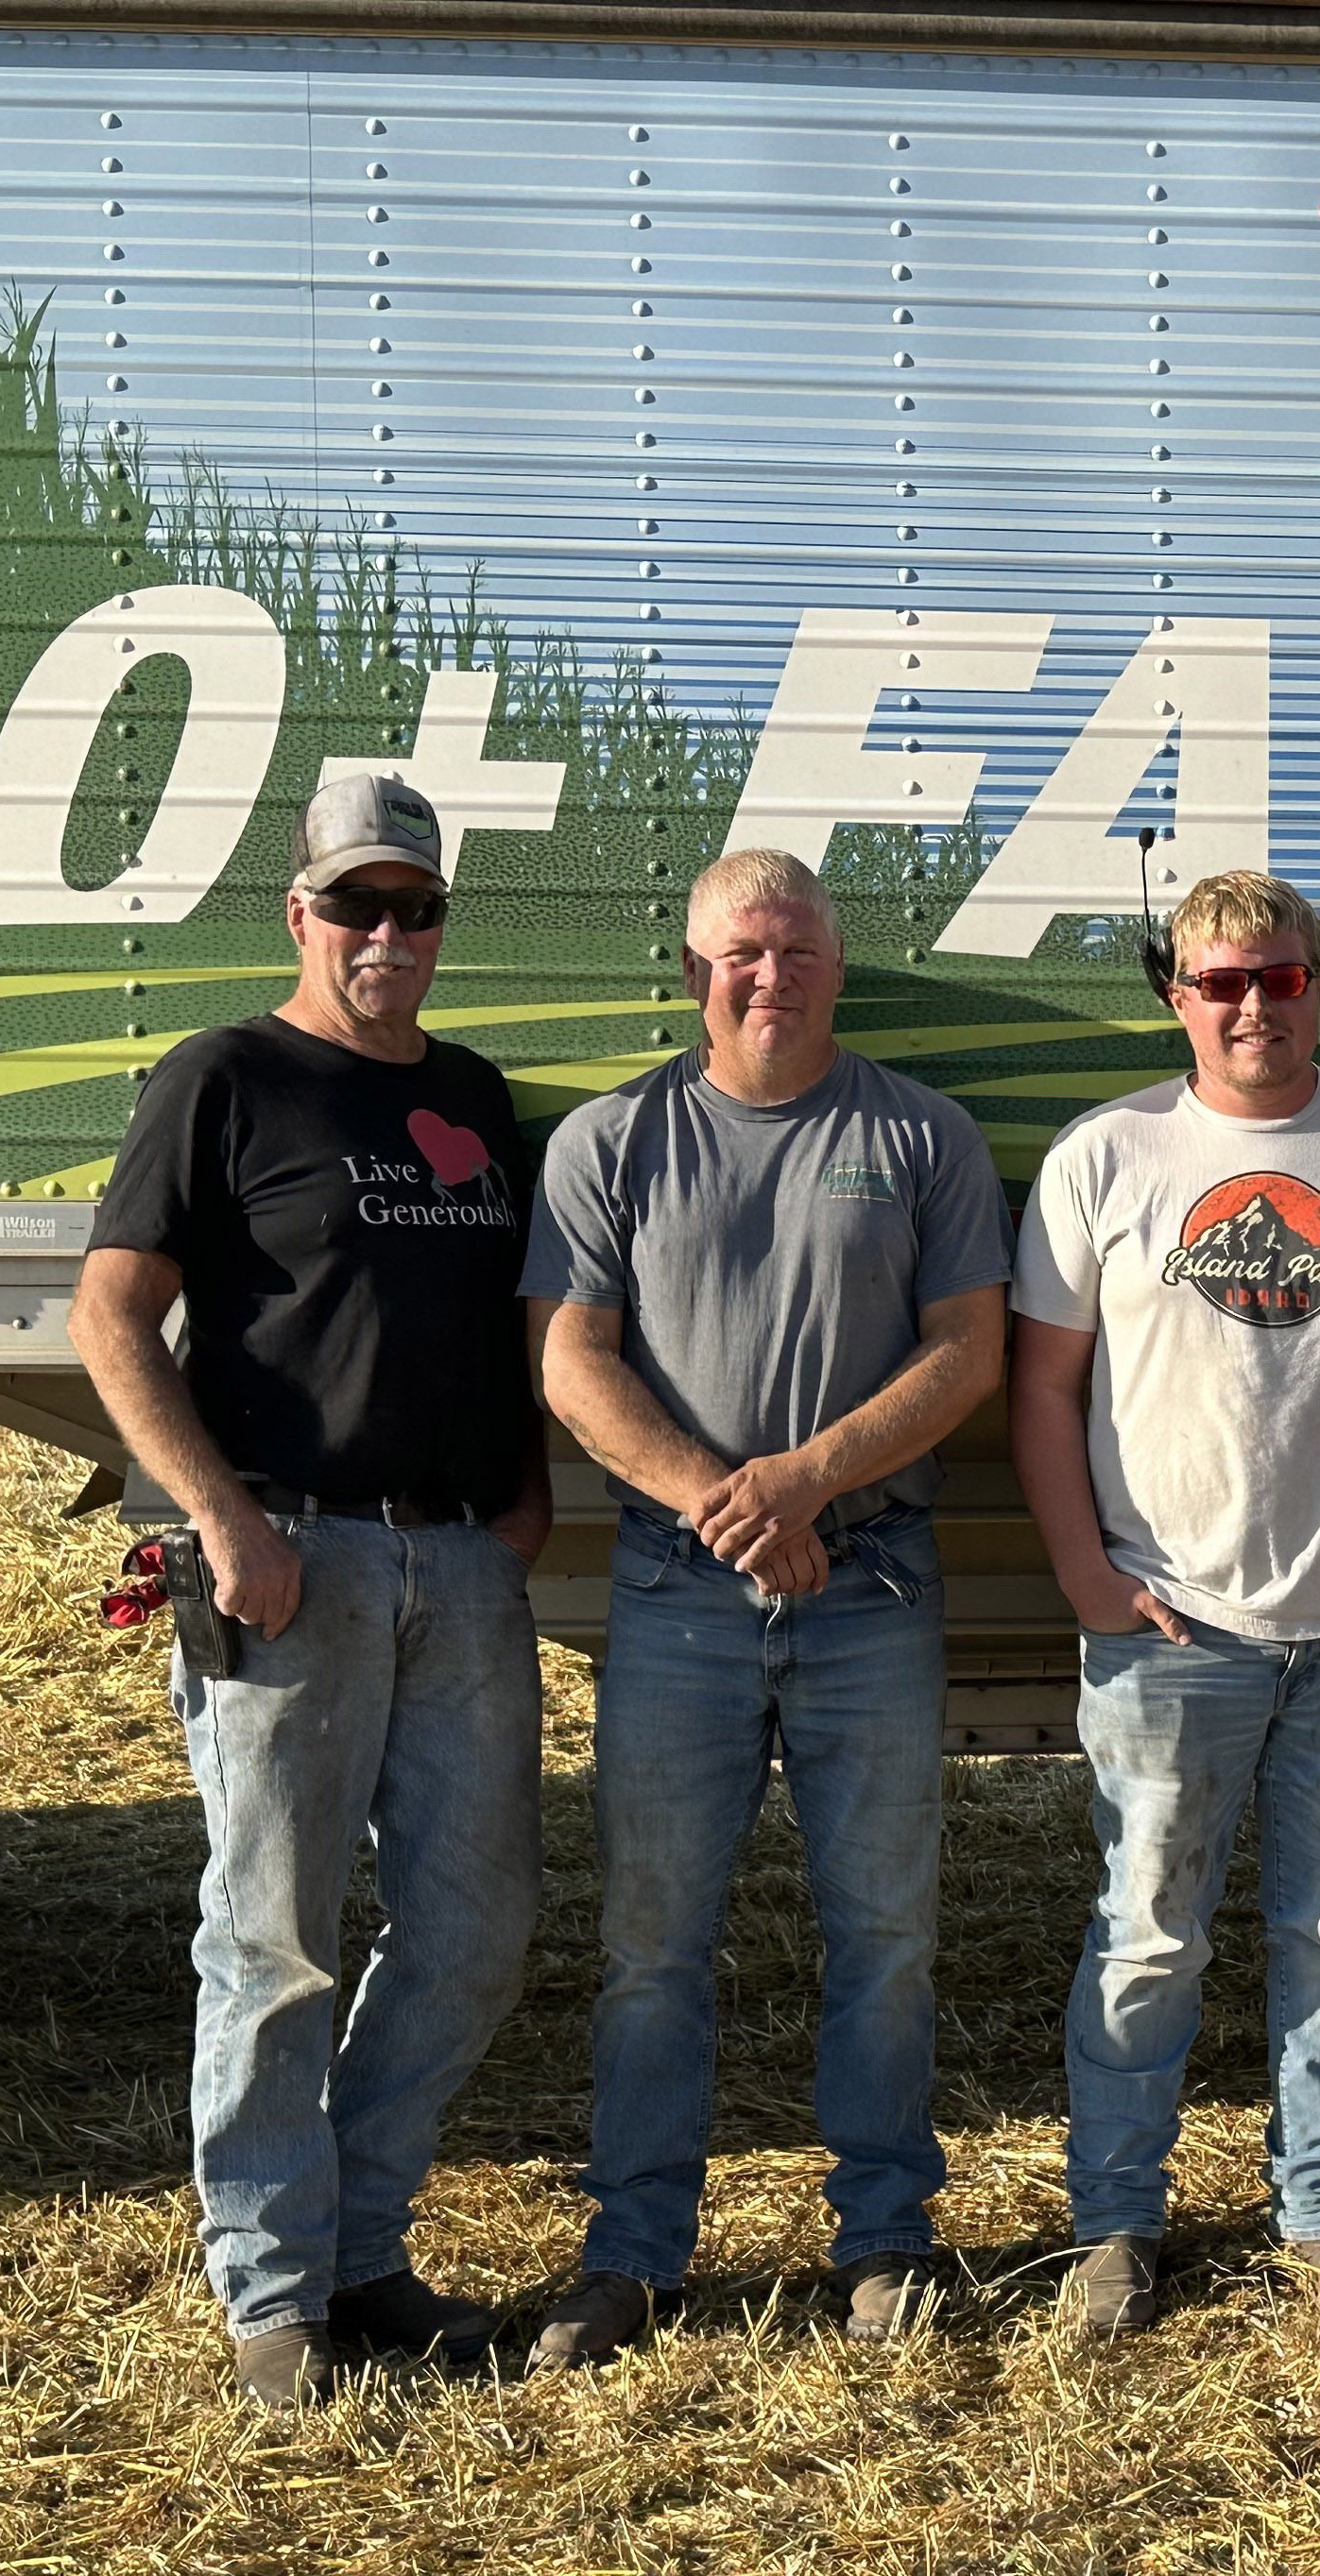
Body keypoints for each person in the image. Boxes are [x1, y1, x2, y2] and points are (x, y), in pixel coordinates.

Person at [74, 772, 554, 2410]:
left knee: (480, 1926)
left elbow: (511, 1326)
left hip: (463, 1563)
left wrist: (525, 1500)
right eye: (356, 904)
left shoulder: (482, 1100)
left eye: (416, 907)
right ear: (299, 913)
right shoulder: (226, 1077)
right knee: (276, 1939)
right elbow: (112, 1319)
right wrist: (222, 1518)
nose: (388, 934)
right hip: (292, 1560)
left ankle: (362, 2247)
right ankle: (276, 2292)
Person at [1006, 870, 1320, 2335]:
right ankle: (1115, 2225)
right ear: (1174, 992)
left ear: (1319, 985)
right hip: (1169, 1626)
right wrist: (1081, 1571)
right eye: (1219, 981)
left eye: (1279, 979)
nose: (1251, 1007)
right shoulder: (1106, 1158)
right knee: (1146, 1937)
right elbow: (1039, 1384)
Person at [514, 851, 1009, 2368]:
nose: (770, 976)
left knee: (887, 1937)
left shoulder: (916, 1136)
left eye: (796, 950)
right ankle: (635, 2252)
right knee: (654, 1943)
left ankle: (885, 2239)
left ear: (837, 970)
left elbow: (967, 1351)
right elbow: (571, 1363)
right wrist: (723, 1505)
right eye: (741, 953)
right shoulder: (614, 1141)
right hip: (676, 1593)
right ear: (693, 974)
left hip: (868, 1585)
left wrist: (801, 1480)